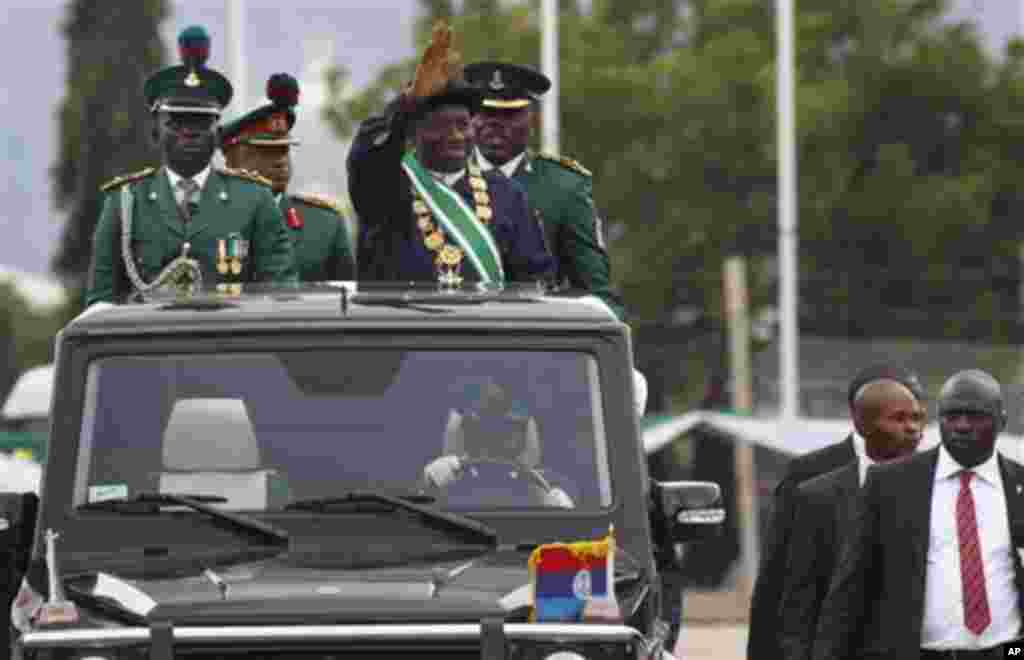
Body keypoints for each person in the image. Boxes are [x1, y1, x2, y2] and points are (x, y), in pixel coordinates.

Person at [813, 369, 1024, 660]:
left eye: (975, 416)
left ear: (1001, 421)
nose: (961, 426)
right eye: (951, 415)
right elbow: (849, 590)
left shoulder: (1019, 484)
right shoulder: (890, 485)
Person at [85, 26, 297, 306]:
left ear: (217, 131)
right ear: (155, 132)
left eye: (201, 122)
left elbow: (280, 299)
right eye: (177, 122)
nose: (189, 132)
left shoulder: (255, 200)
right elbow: (100, 306)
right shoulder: (124, 202)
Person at [346, 22, 554, 286]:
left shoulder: (507, 195)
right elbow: (367, 156)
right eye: (440, 126)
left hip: (487, 327)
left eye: (462, 125)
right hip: (400, 326)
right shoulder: (387, 188)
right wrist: (408, 102)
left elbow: (535, 282)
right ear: (413, 133)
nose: (455, 136)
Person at [746, 364, 926, 660]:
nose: (910, 424)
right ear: (860, 414)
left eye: (915, 409)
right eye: (896, 412)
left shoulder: (934, 476)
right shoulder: (809, 476)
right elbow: (777, 578)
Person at [463, 61, 625, 320]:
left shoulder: (563, 187)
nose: (495, 123)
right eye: (485, 112)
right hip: (454, 333)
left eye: (509, 114)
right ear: (470, 117)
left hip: (530, 337)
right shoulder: (442, 179)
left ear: (532, 119)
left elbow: (596, 291)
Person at [220, 73, 356, 282]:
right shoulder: (207, 218)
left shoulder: (324, 225)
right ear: (233, 159)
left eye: (284, 150)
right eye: (267, 152)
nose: (280, 161)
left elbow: (345, 304)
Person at [422, 378, 574, 508]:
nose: (494, 436)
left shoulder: (549, 488)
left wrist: (547, 495)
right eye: (482, 426)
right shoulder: (440, 475)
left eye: (506, 427)